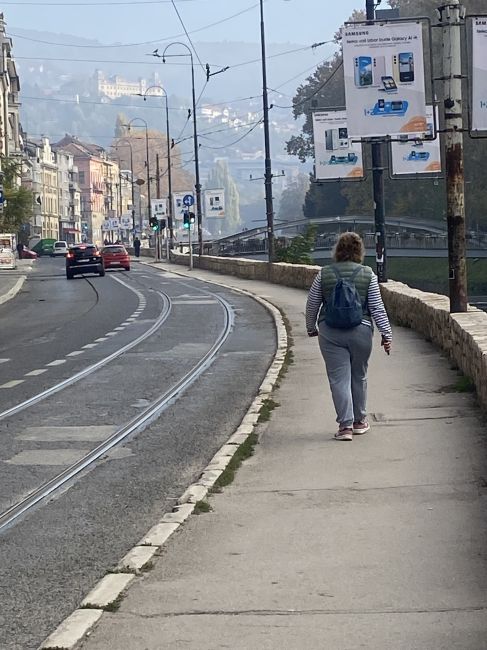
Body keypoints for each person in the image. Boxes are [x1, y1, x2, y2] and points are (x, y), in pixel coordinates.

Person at [305, 232, 392, 441]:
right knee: (359, 375)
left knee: (338, 378)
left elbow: (312, 303)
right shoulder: (367, 274)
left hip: (330, 332)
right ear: (360, 251)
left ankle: (345, 427)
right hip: (360, 330)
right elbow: (377, 308)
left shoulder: (324, 274)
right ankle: (360, 421)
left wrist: (311, 327)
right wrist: (386, 334)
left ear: (337, 250)